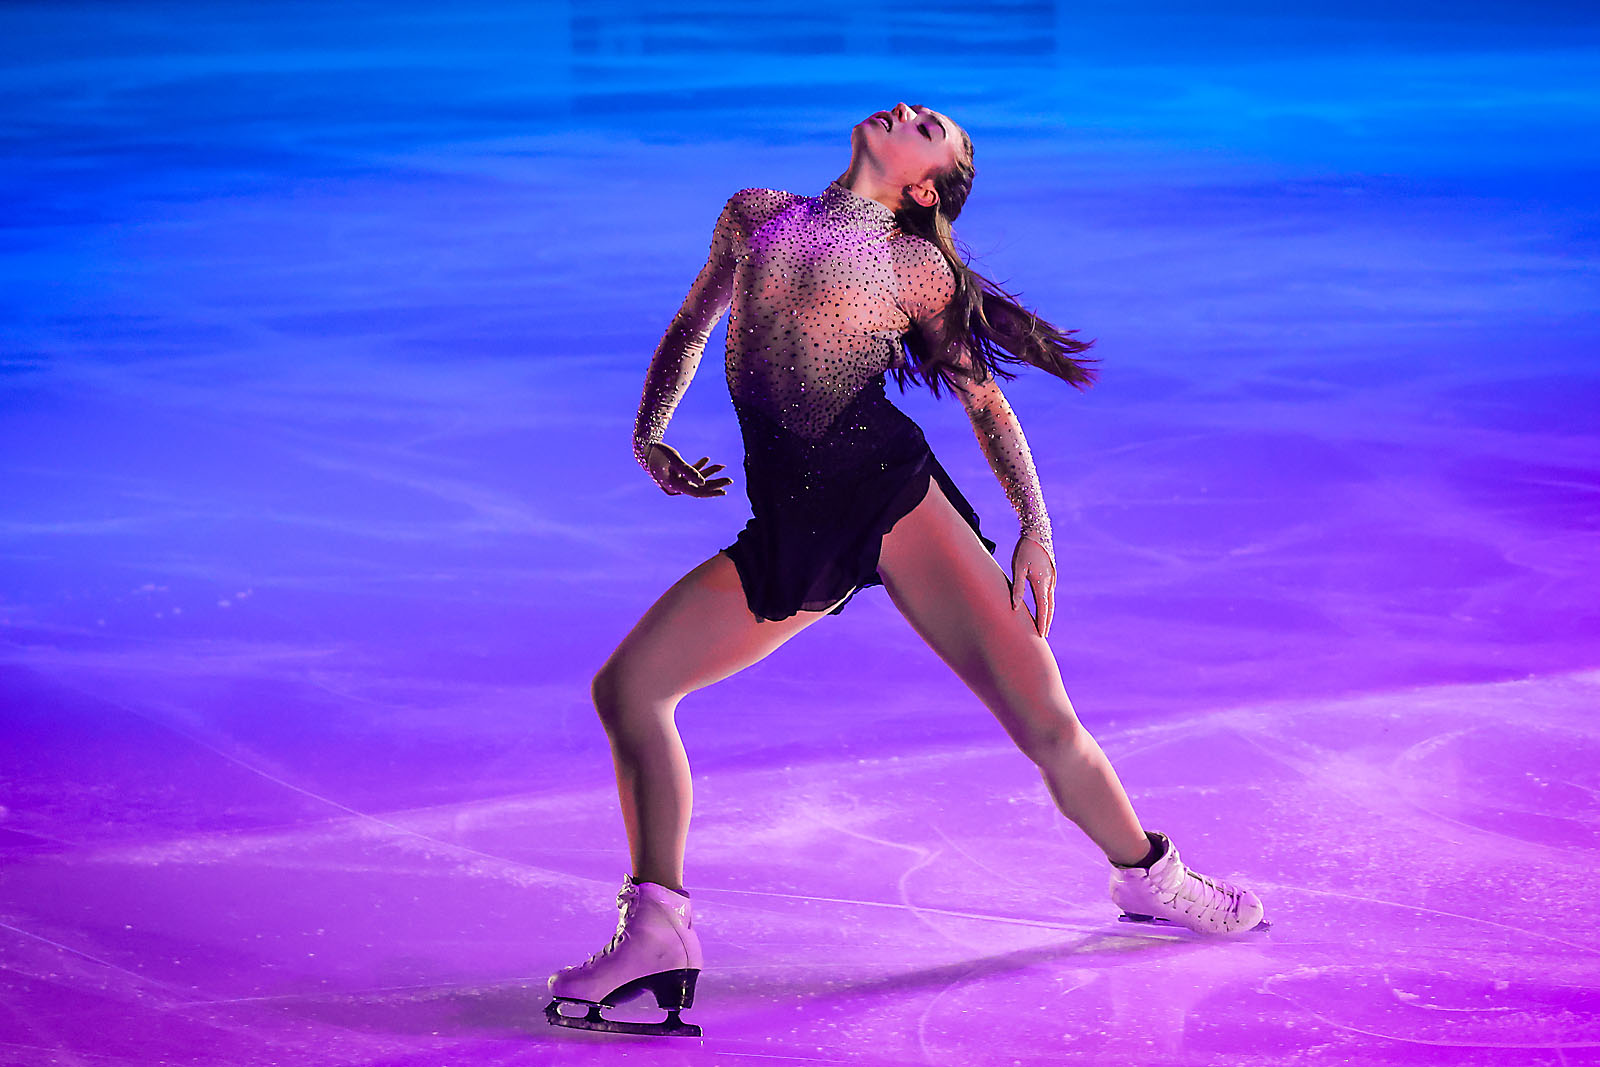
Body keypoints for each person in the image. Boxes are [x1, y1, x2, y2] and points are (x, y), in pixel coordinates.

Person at [545, 102, 1266, 1039]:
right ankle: (657, 935)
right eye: (922, 113)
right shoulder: (754, 212)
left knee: (1043, 719)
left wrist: (1035, 527)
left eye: (934, 131)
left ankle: (1155, 878)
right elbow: (693, 324)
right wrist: (650, 430)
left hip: (891, 500)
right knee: (629, 688)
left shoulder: (913, 265)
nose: (913, 112)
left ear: (923, 187)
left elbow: (985, 402)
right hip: (795, 524)